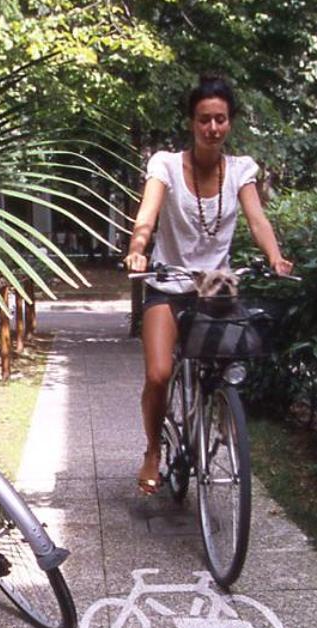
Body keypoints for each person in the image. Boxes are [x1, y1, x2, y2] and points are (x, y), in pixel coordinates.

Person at [124, 74, 293, 495]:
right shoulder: (164, 165)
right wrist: (138, 247)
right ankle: (152, 449)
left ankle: (217, 410)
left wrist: (274, 255)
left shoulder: (240, 170)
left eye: (220, 119)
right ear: (191, 122)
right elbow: (147, 215)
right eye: (204, 119)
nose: (212, 128)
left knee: (228, 367)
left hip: (216, 284)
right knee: (160, 373)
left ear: (230, 123)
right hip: (168, 278)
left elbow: (257, 220)